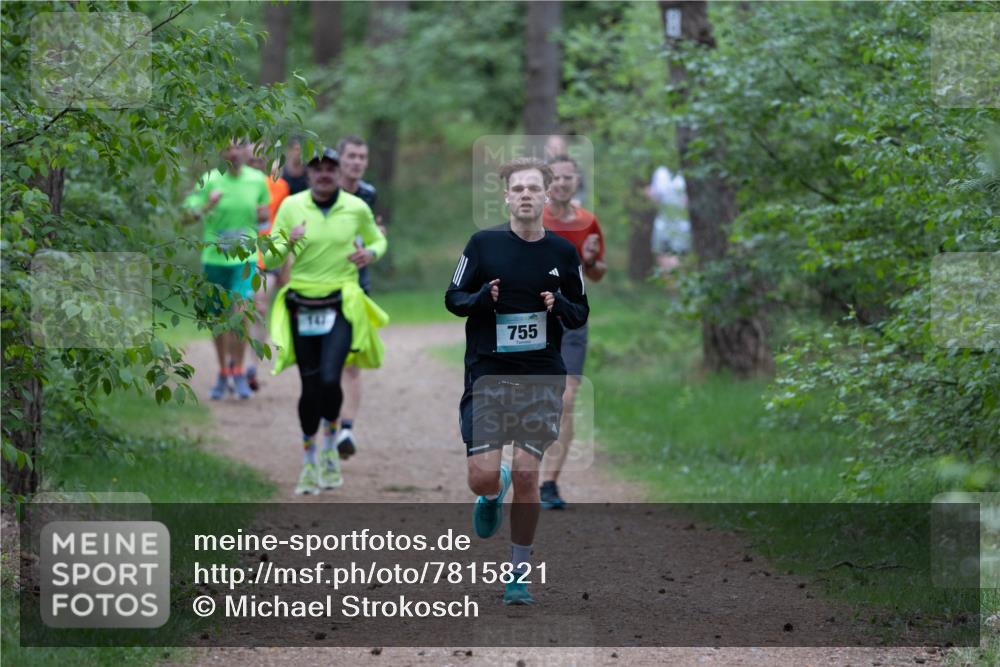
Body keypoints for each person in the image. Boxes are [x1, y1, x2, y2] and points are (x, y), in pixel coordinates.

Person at [445, 158, 589, 605]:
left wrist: (557, 304)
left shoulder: (563, 254)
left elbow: (580, 311)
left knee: (530, 475)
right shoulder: (482, 245)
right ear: (506, 196)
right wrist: (481, 299)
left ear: (548, 196)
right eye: (518, 188)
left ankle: (518, 575)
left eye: (533, 188)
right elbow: (452, 298)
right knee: (482, 478)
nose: (526, 195)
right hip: (490, 373)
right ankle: (493, 488)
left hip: (541, 376)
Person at [263, 147, 388, 495]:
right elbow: (271, 254)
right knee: (310, 385)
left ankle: (330, 448)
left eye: (330, 169)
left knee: (332, 379)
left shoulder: (356, 207)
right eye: (317, 169)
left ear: (337, 173)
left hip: (341, 302)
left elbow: (378, 239)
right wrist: (287, 240)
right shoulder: (291, 206)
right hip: (301, 304)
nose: (324, 174)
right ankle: (308, 461)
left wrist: (371, 253)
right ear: (308, 174)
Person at [539, 154, 607, 510]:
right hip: (534, 320)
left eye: (569, 178)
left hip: (572, 321)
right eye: (556, 178)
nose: (563, 183)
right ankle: (521, 470)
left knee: (565, 400)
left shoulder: (587, 221)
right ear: (547, 182)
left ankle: (549, 483)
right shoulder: (533, 216)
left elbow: (595, 273)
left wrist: (593, 260)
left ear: (577, 182)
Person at [184, 140, 270, 400]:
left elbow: (264, 220)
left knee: (241, 312)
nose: (233, 152)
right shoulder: (209, 179)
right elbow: (186, 217)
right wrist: (207, 205)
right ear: (221, 152)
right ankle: (223, 371)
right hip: (214, 259)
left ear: (246, 151)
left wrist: (263, 217)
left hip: (245, 259)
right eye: (227, 148)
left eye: (239, 147)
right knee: (219, 320)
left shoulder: (257, 180)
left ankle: (239, 370)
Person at [328, 134, 381, 456]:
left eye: (362, 157)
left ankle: (345, 430)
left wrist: (374, 245)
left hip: (357, 286)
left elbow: (374, 232)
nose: (357, 162)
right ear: (340, 159)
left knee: (351, 362)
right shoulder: (323, 194)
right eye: (352, 157)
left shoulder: (369, 194)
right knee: (324, 366)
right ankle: (328, 423)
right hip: (321, 286)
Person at [647, 165, 690, 274]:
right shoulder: (662, 172)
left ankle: (673, 285)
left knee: (670, 255)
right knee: (666, 255)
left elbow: (654, 197)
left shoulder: (662, 172)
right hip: (667, 223)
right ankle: (673, 285)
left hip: (678, 224)